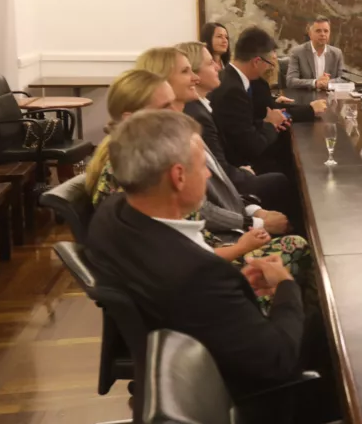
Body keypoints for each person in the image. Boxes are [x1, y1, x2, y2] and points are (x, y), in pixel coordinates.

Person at [85, 109, 338, 424]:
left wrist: (232, 291)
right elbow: (278, 360)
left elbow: (200, 302)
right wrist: (286, 286)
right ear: (178, 176)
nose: (207, 175)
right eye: (202, 166)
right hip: (255, 397)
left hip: (198, 345)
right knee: (338, 325)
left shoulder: (112, 215)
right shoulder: (198, 275)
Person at [84, 69, 310, 283]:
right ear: (131, 118)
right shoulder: (133, 172)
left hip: (209, 252)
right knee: (297, 246)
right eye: (166, 107)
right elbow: (173, 259)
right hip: (201, 276)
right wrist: (241, 244)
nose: (177, 112)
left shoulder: (146, 155)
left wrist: (250, 221)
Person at [177, 42, 300, 222]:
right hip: (228, 189)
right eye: (210, 63)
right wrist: (253, 217)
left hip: (233, 170)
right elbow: (218, 175)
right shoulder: (197, 114)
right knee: (280, 179)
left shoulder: (201, 106)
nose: (218, 67)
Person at [210, 27, 292, 172]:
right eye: (268, 64)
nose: (268, 68)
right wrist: (271, 123)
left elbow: (245, 126)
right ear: (256, 62)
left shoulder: (230, 78)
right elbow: (252, 147)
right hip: (240, 166)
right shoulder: (233, 91)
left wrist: (267, 122)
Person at [286, 16, 345, 90]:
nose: (323, 34)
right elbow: (291, 81)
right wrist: (315, 83)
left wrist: (328, 82)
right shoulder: (297, 52)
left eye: (326, 31)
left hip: (329, 96)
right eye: (318, 31)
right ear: (310, 34)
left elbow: (344, 79)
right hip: (306, 96)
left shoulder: (337, 53)